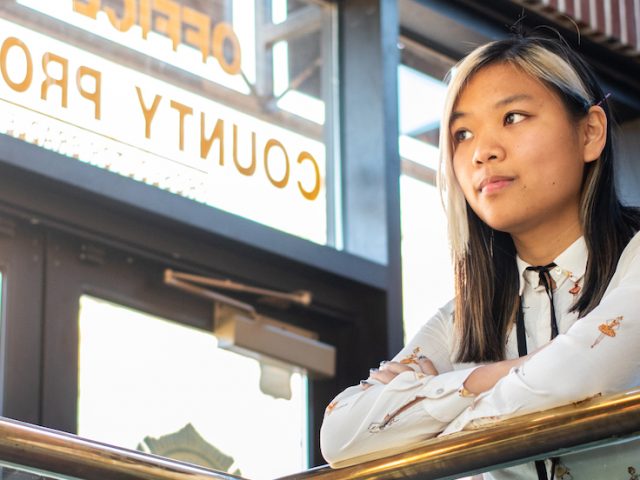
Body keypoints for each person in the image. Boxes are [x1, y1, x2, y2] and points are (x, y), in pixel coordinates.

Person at [320, 34, 640, 480]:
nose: (482, 152)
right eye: (462, 134)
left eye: (513, 117)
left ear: (590, 132)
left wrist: (429, 402)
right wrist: (492, 377)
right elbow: (341, 435)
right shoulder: (464, 319)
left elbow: (578, 374)